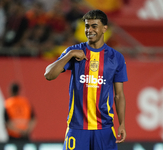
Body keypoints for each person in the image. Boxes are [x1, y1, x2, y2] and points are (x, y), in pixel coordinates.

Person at [44, 9, 128, 150]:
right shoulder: (74, 51)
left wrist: (122, 124)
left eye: (94, 26)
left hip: (104, 128)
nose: (89, 30)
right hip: (77, 128)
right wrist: (69, 55)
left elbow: (119, 95)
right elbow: (48, 75)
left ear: (104, 28)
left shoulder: (116, 58)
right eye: (87, 26)